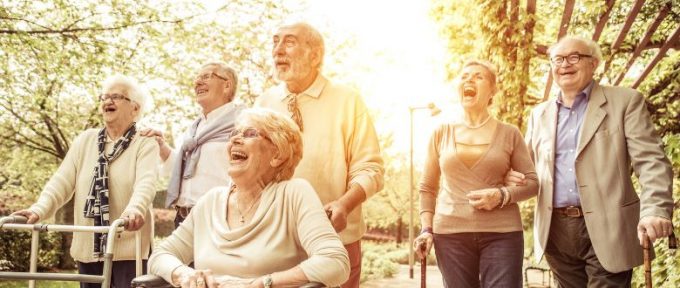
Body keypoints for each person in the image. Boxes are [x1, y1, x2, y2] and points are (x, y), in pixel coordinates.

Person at [508, 36, 674, 287]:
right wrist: (512, 177)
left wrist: (655, 209)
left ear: (594, 63)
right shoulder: (539, 114)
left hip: (610, 227)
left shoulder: (626, 101)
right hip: (556, 231)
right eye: (558, 59)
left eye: (574, 57)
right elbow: (527, 169)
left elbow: (651, 161)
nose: (565, 64)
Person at [148, 108, 350, 288]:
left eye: (250, 134)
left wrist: (262, 283)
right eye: (234, 134)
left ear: (277, 154)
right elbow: (160, 255)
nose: (235, 139)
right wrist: (184, 274)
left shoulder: (293, 194)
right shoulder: (211, 201)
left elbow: (334, 261)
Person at [255, 22, 384, 288]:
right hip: (275, 239)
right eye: (275, 42)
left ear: (315, 55)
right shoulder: (264, 103)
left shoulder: (348, 100)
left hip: (334, 239)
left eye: (289, 42)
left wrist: (344, 205)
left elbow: (371, 169)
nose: (277, 50)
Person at [12, 75, 159, 288]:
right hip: (88, 245)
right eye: (104, 97)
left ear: (135, 109)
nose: (107, 101)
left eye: (116, 97)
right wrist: (39, 209)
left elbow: (146, 182)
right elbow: (62, 180)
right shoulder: (86, 140)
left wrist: (135, 209)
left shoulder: (144, 142)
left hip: (128, 245)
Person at [413, 60, 539, 288]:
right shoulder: (441, 132)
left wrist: (501, 195)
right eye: (464, 76)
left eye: (478, 76)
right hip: (450, 235)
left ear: (493, 90)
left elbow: (532, 183)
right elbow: (427, 188)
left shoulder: (510, 133)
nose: (469, 80)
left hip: (502, 233)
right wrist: (426, 229)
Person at [141, 62, 244, 228]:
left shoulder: (243, 123)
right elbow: (189, 169)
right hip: (184, 217)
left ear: (226, 85)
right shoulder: (195, 128)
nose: (198, 82)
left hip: (219, 217)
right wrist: (162, 147)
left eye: (206, 76)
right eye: (197, 78)